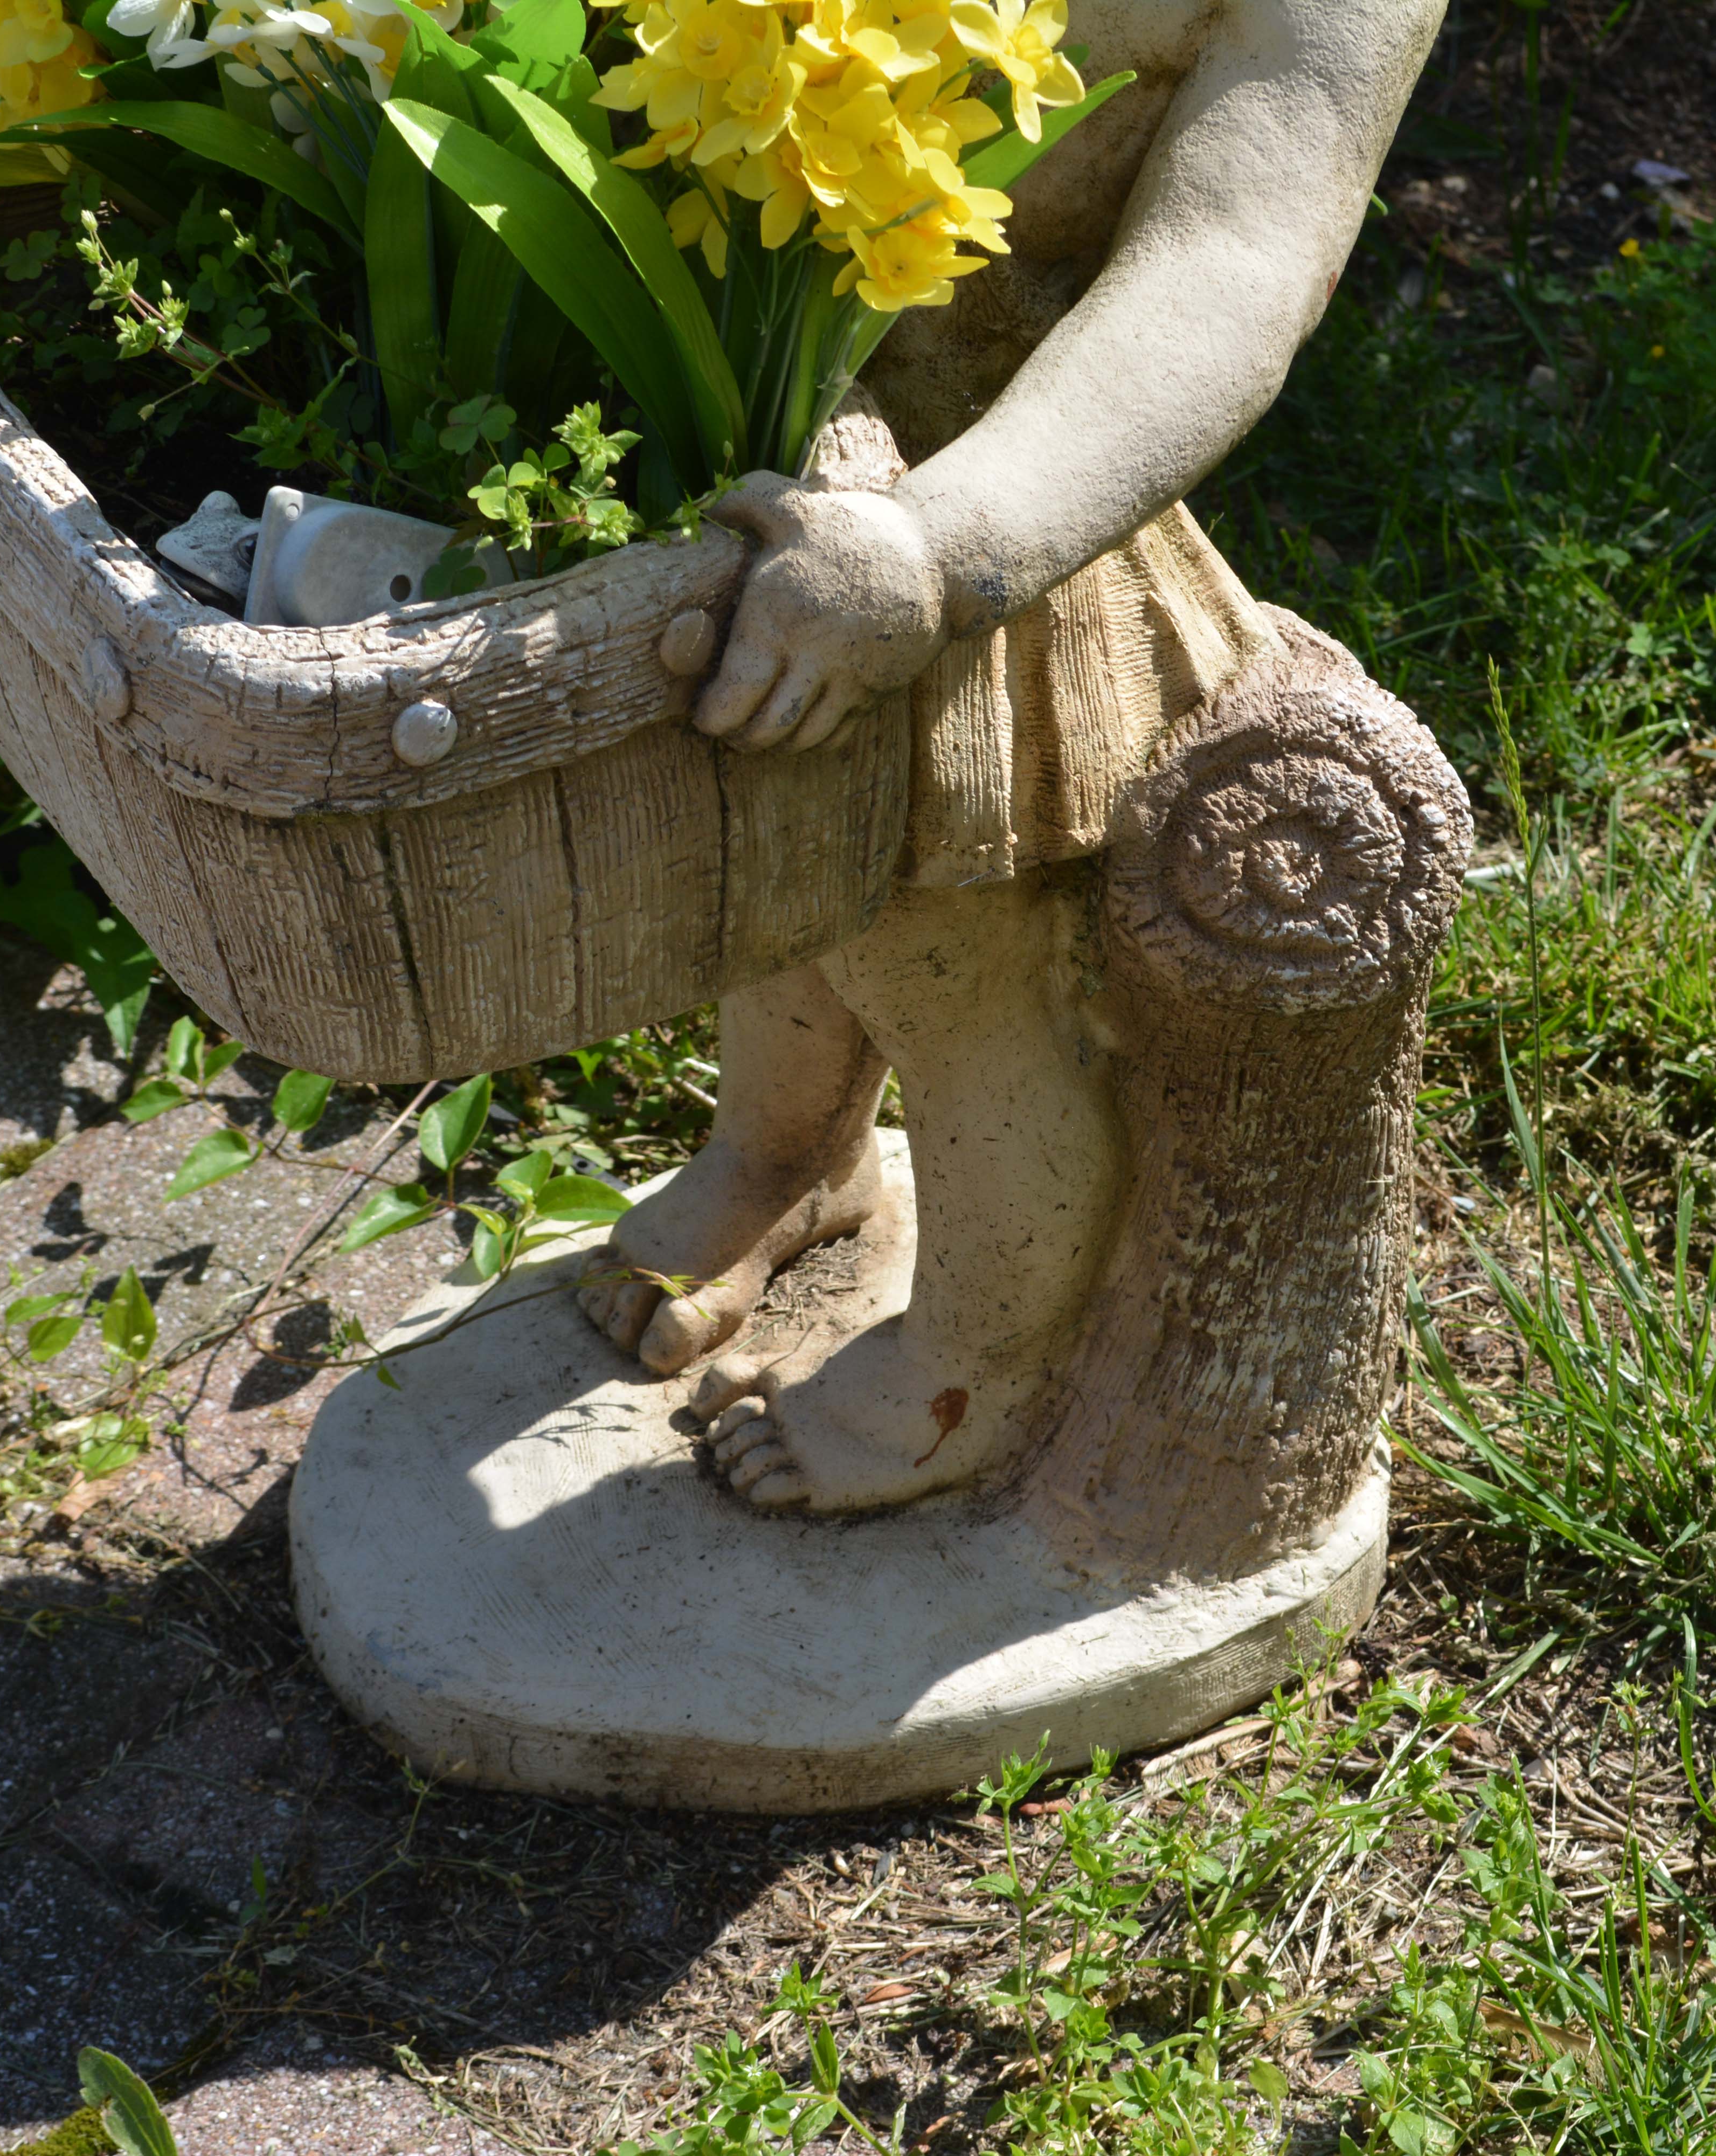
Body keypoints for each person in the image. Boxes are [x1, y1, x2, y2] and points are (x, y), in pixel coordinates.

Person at [572, 0, 1447, 1511]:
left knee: (956, 972)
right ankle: (790, 1158)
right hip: (772, 456)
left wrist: (944, 549)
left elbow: (1228, 267)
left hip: (995, 543)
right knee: (771, 880)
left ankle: (974, 1360)